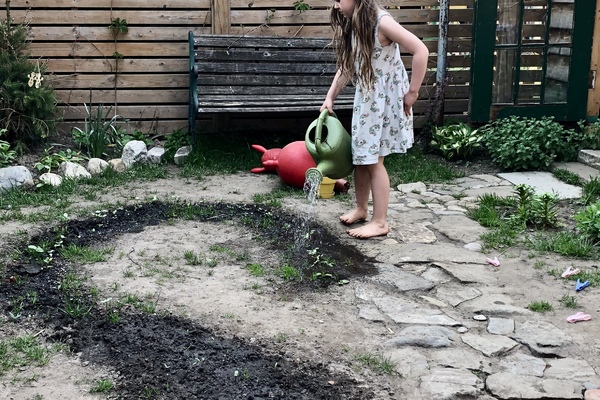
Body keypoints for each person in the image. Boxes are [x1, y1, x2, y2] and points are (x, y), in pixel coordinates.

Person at [320, 0, 429, 239]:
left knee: (373, 161)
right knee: (361, 156)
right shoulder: (357, 24)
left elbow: (421, 50)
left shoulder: (383, 23)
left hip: (385, 103)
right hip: (368, 101)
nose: (336, 5)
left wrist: (412, 92)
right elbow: (348, 65)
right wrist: (330, 97)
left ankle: (380, 222)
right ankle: (361, 208)